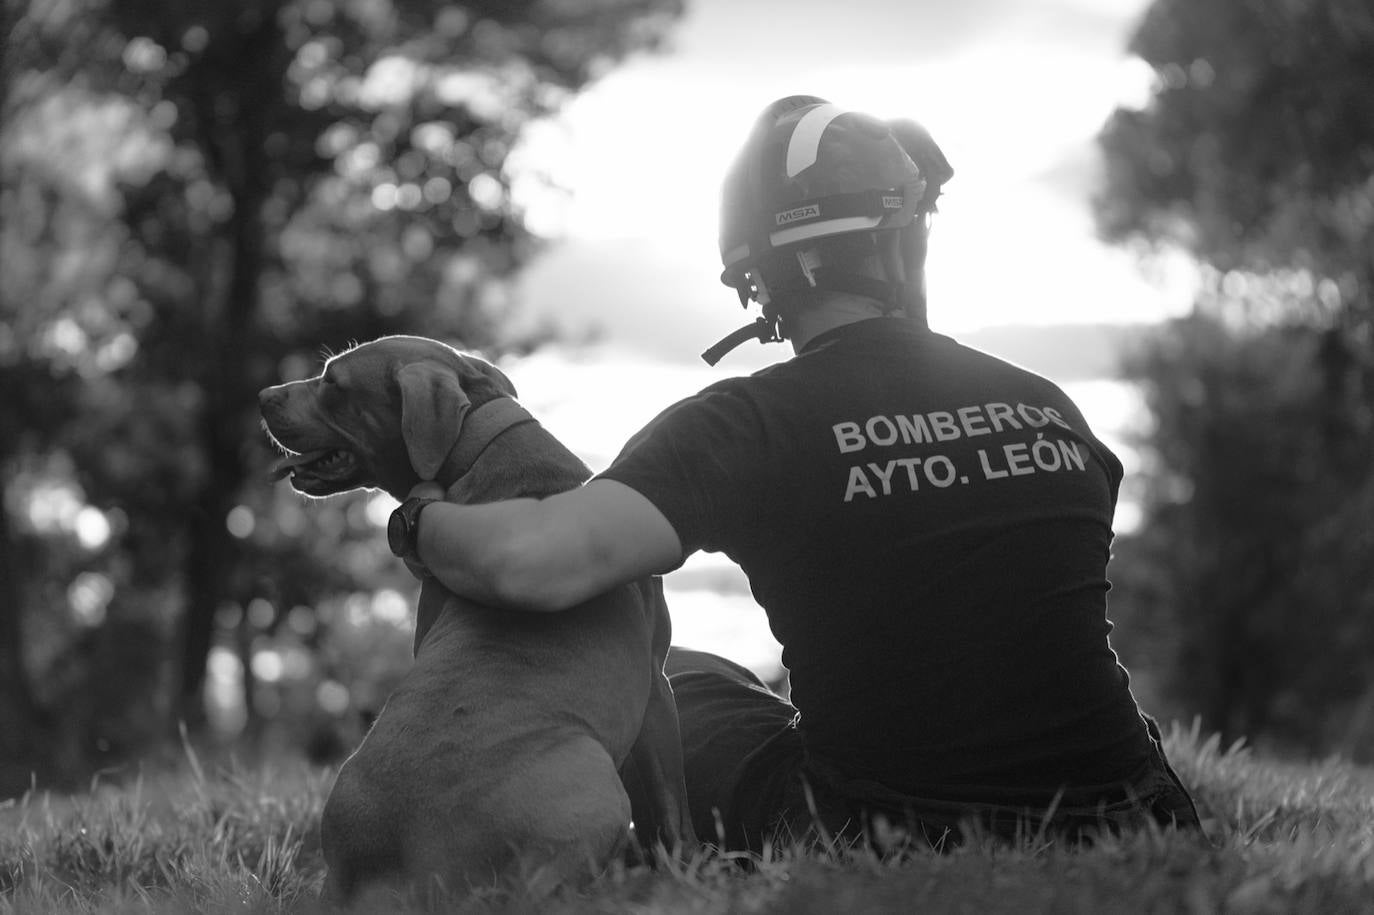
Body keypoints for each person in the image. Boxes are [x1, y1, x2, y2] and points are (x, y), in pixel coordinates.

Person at [393, 96, 1201, 852]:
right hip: (1133, 813)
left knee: (678, 679)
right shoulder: (1049, 405)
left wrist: (417, 522)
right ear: (901, 240)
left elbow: (534, 560)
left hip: (880, 827)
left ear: (762, 276)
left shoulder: (748, 423)